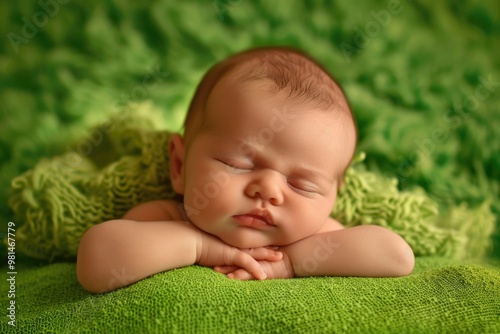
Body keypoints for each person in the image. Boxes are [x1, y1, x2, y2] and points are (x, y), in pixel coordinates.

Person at [77, 46, 415, 294]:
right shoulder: (168, 217)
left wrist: (291, 262)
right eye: (236, 164)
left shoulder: (319, 236)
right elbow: (97, 261)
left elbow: (397, 256)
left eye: (303, 185)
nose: (268, 190)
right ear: (180, 165)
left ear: (334, 196)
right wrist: (198, 246)